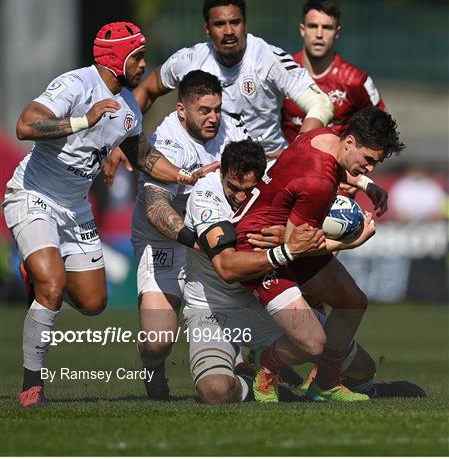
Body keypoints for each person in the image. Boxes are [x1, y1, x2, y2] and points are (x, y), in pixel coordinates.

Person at [2, 22, 209, 408]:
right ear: (117, 60)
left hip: (76, 208)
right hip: (34, 194)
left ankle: (40, 270)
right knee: (50, 285)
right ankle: (32, 385)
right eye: (138, 57)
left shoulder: (129, 107)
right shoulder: (75, 85)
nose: (143, 65)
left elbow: (143, 157)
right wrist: (84, 120)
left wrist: (187, 175)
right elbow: (25, 125)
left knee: (95, 303)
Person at [235, 107, 405, 402]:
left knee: (353, 301)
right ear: (350, 142)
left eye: (375, 164)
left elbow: (299, 234)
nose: (370, 169)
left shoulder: (323, 136)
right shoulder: (319, 182)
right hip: (261, 251)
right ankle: (267, 369)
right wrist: (351, 242)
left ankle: (325, 383)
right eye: (368, 161)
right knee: (313, 344)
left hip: (284, 237)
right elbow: (297, 247)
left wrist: (367, 185)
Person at [103, 0, 335, 184]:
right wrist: (124, 137)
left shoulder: (269, 59)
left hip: (267, 171)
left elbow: (321, 104)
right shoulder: (191, 59)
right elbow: (147, 90)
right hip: (207, 173)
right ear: (207, 30)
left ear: (245, 25)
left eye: (235, 22)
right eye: (219, 24)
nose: (228, 31)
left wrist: (296, 153)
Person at [132, 69, 251, 400]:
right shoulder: (166, 142)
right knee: (157, 342)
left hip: (209, 240)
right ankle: (153, 367)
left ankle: (243, 363)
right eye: (204, 111)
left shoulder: (233, 131)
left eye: (217, 109)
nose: (214, 118)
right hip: (166, 243)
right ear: (182, 110)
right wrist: (194, 240)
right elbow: (155, 208)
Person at [183, 140, 327, 403]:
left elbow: (313, 154)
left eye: (248, 190)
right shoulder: (206, 195)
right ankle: (256, 382)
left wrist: (364, 185)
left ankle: (376, 388)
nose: (239, 197)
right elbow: (227, 268)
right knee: (216, 391)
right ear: (221, 173)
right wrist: (286, 250)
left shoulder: (274, 184)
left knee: (352, 360)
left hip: (261, 303)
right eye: (233, 188)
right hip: (212, 310)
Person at [281, 0, 385, 143]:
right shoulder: (282, 72)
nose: (319, 34)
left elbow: (381, 127)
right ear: (302, 30)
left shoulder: (355, 80)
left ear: (337, 32)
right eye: (313, 26)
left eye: (327, 27)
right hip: (288, 163)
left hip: (335, 165)